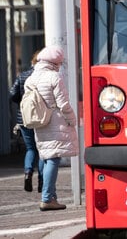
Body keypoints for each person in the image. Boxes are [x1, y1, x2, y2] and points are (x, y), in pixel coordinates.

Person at [24, 45, 79, 211]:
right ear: (55, 62)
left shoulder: (31, 78)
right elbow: (63, 104)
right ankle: (47, 198)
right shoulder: (54, 77)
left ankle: (51, 197)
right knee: (53, 159)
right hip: (55, 121)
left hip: (39, 122)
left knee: (47, 157)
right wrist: (72, 119)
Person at [8, 50, 41, 192]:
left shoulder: (22, 76)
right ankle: (42, 180)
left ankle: (28, 173)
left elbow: (12, 94)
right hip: (41, 118)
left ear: (32, 62)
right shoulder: (44, 76)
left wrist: (22, 102)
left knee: (30, 148)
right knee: (42, 150)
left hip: (24, 118)